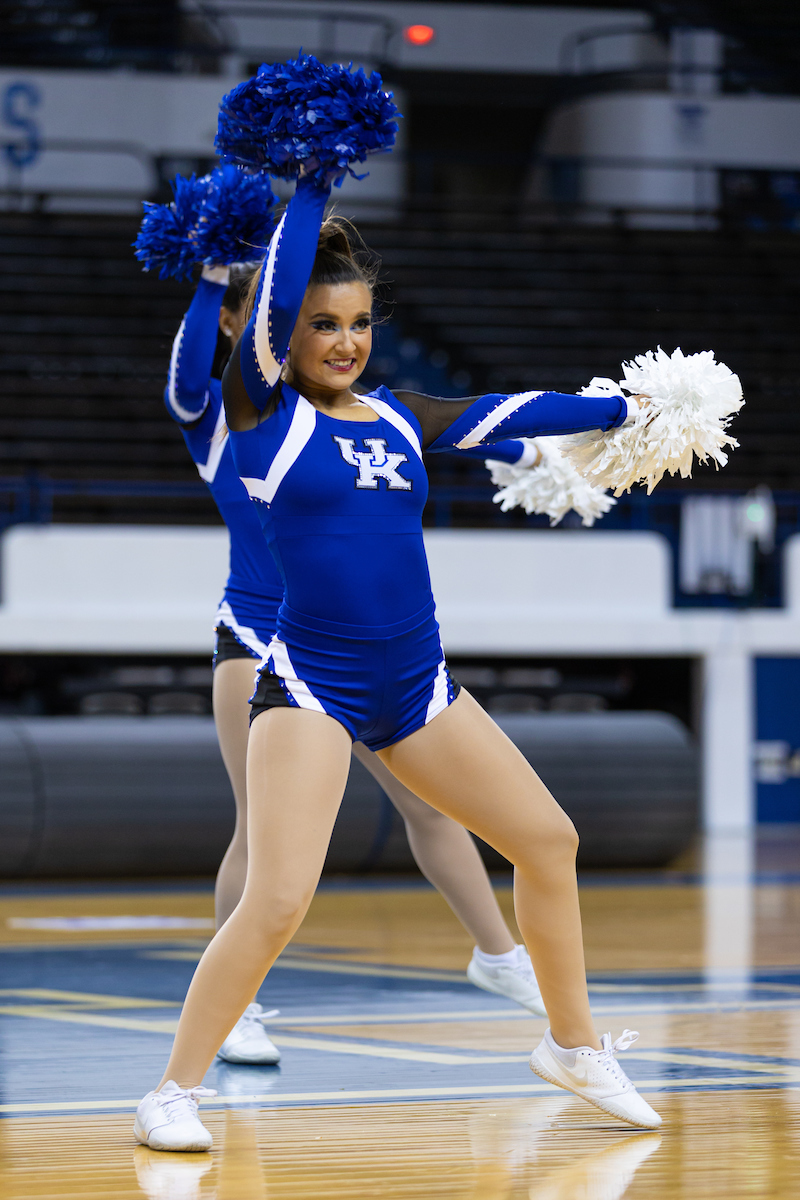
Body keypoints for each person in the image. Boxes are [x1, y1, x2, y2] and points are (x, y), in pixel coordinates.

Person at [135, 172, 661, 1152]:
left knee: (548, 841)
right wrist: (308, 187)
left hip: (420, 688)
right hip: (311, 689)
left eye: (359, 323)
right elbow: (244, 330)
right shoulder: (258, 418)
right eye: (322, 324)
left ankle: (573, 1045)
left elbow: (508, 412)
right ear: (283, 334)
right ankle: (172, 1091)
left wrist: (622, 410)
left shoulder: (398, 417)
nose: (344, 341)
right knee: (278, 899)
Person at [163, 262, 552, 1063]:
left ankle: (498, 954)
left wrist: (524, 453)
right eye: (269, 313)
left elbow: (429, 427)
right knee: (260, 834)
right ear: (242, 324)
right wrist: (208, 282)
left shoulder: (350, 412)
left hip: (357, 646)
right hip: (260, 639)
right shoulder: (225, 417)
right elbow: (184, 380)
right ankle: (236, 1009)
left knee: (432, 808)